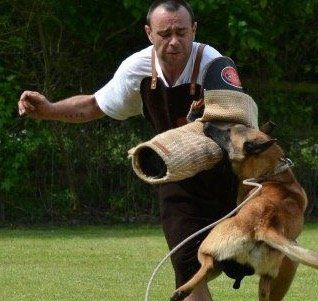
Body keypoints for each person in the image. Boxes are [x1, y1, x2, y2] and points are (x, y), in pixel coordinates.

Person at [18, 1, 298, 300]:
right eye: (165, 33)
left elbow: (237, 125)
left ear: (194, 30)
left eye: (181, 32)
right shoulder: (137, 69)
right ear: (149, 33)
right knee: (189, 273)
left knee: (273, 254)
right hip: (178, 185)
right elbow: (93, 105)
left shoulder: (214, 65)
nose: (174, 41)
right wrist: (49, 110)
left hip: (231, 182)